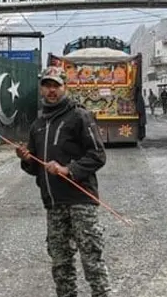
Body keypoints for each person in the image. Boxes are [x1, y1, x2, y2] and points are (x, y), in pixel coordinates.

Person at [16, 66, 111, 297]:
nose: (51, 90)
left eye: (56, 85)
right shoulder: (38, 125)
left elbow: (98, 155)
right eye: (47, 85)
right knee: (60, 263)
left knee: (91, 259)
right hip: (53, 203)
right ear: (41, 89)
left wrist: (68, 170)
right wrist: (26, 159)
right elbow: (35, 168)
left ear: (64, 87)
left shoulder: (79, 116)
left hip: (81, 200)